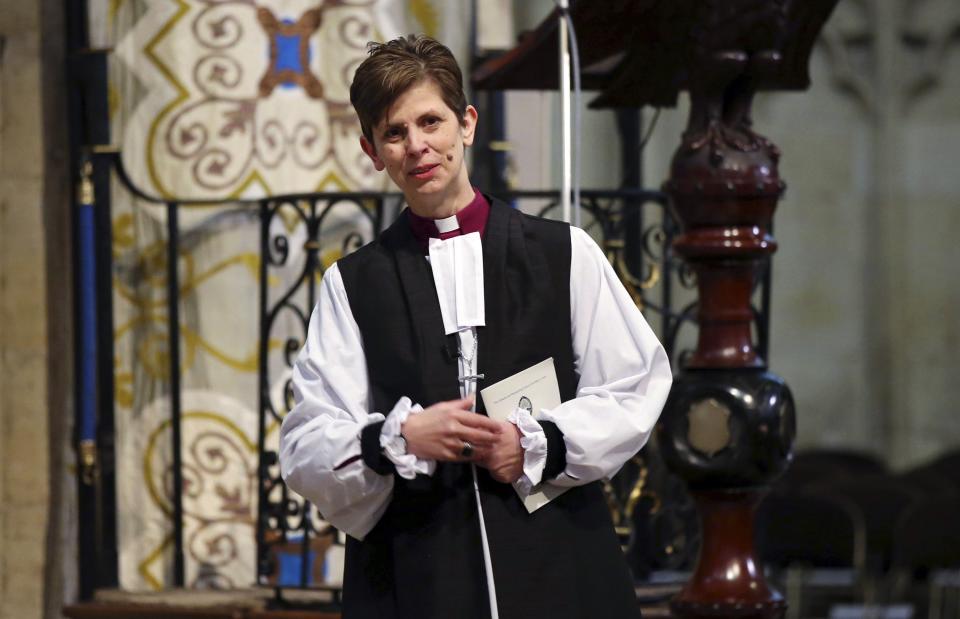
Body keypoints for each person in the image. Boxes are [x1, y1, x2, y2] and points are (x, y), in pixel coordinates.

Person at [279, 35, 673, 619]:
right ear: (372, 151)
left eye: (431, 121)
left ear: (466, 123)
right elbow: (305, 445)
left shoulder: (563, 252)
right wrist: (400, 438)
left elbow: (634, 385)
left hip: (559, 559)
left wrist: (542, 442)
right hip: (416, 572)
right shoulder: (354, 284)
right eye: (394, 133)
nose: (418, 146)